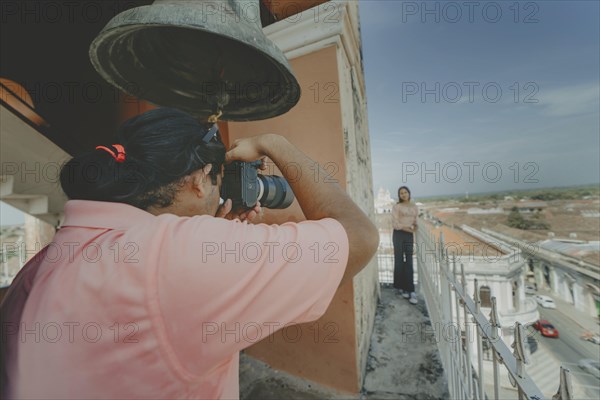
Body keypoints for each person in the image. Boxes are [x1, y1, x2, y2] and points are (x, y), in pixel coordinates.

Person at [0, 108, 379, 399]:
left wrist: (210, 236)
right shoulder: (178, 255)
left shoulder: (38, 266)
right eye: (218, 180)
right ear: (201, 179)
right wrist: (273, 143)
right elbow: (359, 239)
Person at [392, 186, 418, 305]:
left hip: (408, 235)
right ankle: (402, 287)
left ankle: (411, 290)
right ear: (399, 195)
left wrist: (415, 227)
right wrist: (408, 229)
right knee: (399, 261)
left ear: (409, 193)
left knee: (409, 262)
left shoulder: (414, 207)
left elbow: (415, 221)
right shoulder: (397, 207)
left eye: (405, 192)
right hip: (398, 234)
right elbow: (395, 223)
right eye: (401, 193)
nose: (403, 194)